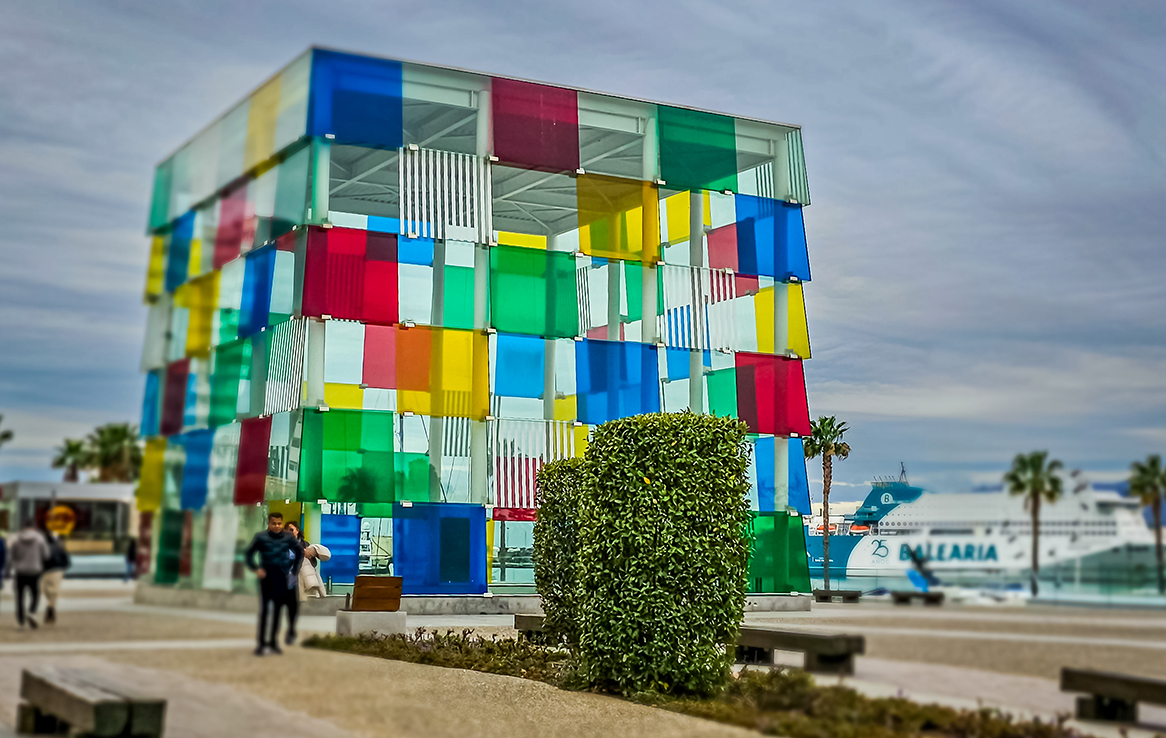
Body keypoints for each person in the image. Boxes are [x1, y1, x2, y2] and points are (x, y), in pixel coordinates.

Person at [244, 512, 302, 656]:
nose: (277, 526)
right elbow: (249, 554)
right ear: (269, 524)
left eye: (279, 523)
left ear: (282, 524)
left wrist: (295, 569)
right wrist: (256, 568)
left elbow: (299, 551)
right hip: (266, 577)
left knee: (277, 611)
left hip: (282, 577)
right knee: (264, 610)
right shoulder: (260, 537)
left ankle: (273, 642)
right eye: (274, 523)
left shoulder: (288, 537)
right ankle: (262, 644)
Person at [283, 522, 331, 645]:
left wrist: (307, 555)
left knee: (294, 606)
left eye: (291, 529)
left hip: (297, 580)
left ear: (297, 531)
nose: (289, 532)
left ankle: (291, 631)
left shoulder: (305, 545)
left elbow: (313, 564)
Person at [2, 520, 49, 629]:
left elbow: (10, 557)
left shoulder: (16, 539)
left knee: (19, 597)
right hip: (35, 570)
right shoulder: (40, 538)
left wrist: (9, 570)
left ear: (23, 527)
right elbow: (46, 555)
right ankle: (32, 611)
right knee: (35, 594)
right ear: (33, 527)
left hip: (20, 571)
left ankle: (21, 620)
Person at [39, 527, 70, 625]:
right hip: (56, 571)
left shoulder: (43, 547)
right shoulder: (60, 548)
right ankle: (51, 606)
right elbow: (67, 561)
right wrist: (63, 568)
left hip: (46, 571)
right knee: (53, 591)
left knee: (46, 590)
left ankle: (50, 606)